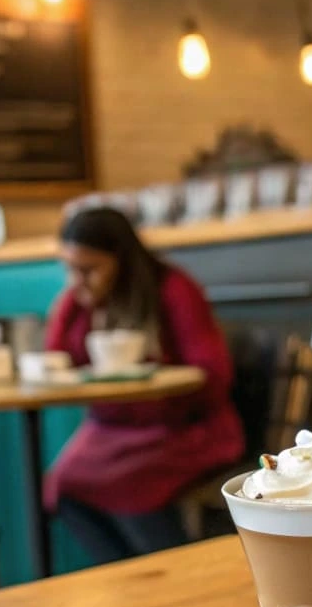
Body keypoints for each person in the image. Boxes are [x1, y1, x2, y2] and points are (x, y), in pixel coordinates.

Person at [42, 208, 244, 562]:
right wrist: (73, 303)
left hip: (183, 427)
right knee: (64, 483)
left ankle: (172, 568)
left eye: (89, 270)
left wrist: (153, 388)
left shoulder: (173, 289)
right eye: (70, 268)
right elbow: (56, 358)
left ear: (122, 260)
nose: (76, 280)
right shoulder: (80, 301)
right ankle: (125, 574)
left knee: (129, 482)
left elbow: (213, 375)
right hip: (110, 431)